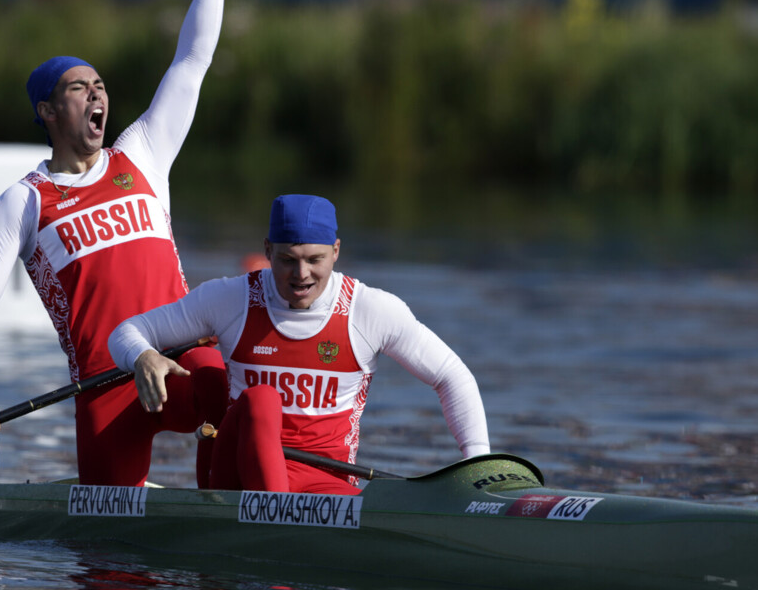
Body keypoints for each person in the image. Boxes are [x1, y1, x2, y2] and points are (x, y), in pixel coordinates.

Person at [0, 0, 236, 488]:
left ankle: (222, 514)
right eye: (80, 88)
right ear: (49, 113)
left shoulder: (143, 153)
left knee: (222, 390)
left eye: (100, 85)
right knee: (105, 574)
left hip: (183, 349)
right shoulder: (25, 202)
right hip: (107, 381)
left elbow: (193, 60)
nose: (98, 94)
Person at [108, 194, 490, 495]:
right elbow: (124, 332)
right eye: (288, 259)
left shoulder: (370, 310)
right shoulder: (231, 299)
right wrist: (143, 355)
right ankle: (277, 521)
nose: (301, 275)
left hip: (325, 482)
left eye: (315, 260)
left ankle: (286, 526)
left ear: (336, 252)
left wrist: (480, 472)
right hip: (236, 476)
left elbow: (451, 376)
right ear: (268, 250)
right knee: (262, 400)